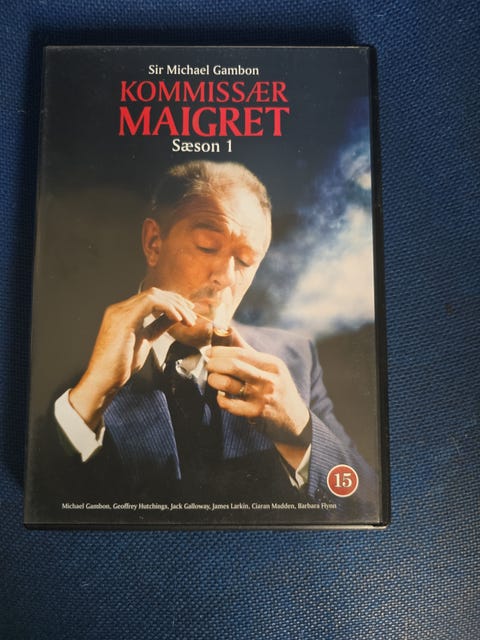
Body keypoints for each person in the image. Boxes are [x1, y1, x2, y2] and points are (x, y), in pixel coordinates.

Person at [51, 160, 377, 521]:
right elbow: (38, 499)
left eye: (245, 261)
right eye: (207, 247)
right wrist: (90, 397)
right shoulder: (66, 344)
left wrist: (298, 431)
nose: (225, 277)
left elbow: (366, 504)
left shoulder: (295, 359)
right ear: (154, 243)